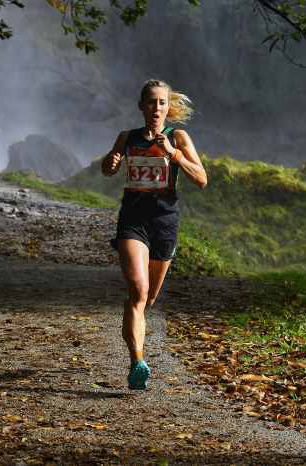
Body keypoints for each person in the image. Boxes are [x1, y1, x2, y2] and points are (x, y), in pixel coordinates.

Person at [101, 79, 208, 390]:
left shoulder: (178, 137)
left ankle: (137, 334)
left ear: (168, 106)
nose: (156, 108)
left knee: (149, 298)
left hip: (164, 221)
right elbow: (108, 168)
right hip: (133, 219)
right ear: (141, 106)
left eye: (162, 102)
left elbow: (201, 179)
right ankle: (137, 362)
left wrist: (173, 154)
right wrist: (111, 162)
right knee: (137, 291)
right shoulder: (127, 137)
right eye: (150, 102)